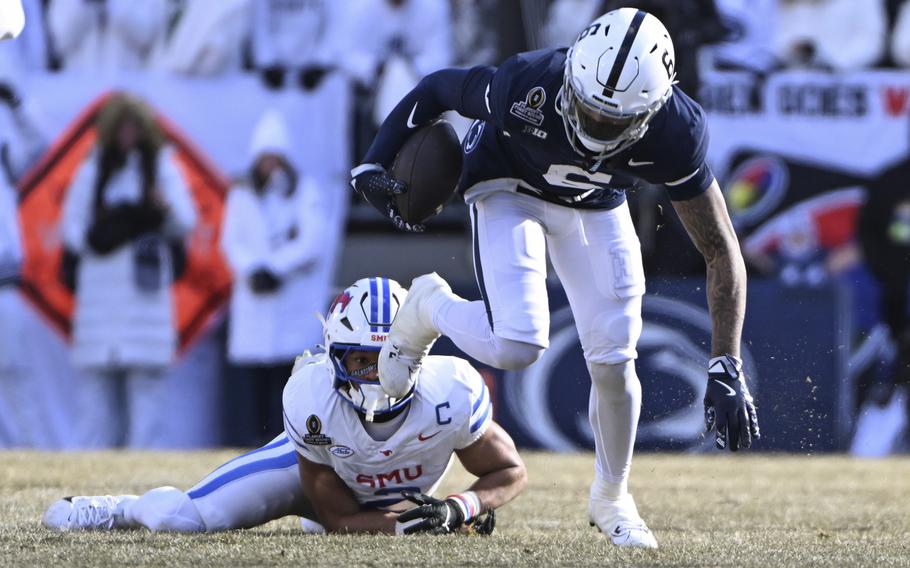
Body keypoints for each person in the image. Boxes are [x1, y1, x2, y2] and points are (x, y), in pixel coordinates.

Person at [351, 8, 760, 549]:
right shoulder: (529, 85)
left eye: (611, 123)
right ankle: (429, 305)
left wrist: (725, 362)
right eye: (589, 110)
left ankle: (612, 496)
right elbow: (439, 88)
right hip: (507, 184)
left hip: (596, 203)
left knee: (616, 358)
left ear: (649, 111)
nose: (592, 126)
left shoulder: (675, 132)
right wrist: (373, 162)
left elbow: (719, 248)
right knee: (518, 343)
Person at [42, 277, 526, 535]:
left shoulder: (451, 392)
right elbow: (335, 517)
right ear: (335, 357)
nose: (378, 376)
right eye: (362, 361)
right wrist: (409, 529)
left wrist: (460, 507)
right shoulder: (313, 399)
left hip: (376, 497)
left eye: (391, 358)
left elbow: (509, 472)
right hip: (317, 479)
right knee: (183, 520)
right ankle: (121, 510)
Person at [60, 92, 197, 448]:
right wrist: (106, 236)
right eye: (121, 126)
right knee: (96, 387)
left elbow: (185, 221)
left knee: (147, 384)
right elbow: (72, 230)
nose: (128, 133)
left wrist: (160, 209)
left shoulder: (162, 165)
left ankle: (143, 460)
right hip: (99, 295)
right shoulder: (93, 168)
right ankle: (90, 464)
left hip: (145, 295)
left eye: (134, 125)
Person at [220, 109, 331, 446]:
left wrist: (277, 268)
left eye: (275, 158)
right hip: (255, 301)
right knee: (256, 380)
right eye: (264, 158)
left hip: (290, 301)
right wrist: (253, 270)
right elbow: (231, 241)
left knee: (289, 378)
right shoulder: (241, 194)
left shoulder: (304, 191)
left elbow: (312, 240)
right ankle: (254, 441)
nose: (270, 165)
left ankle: (286, 441)